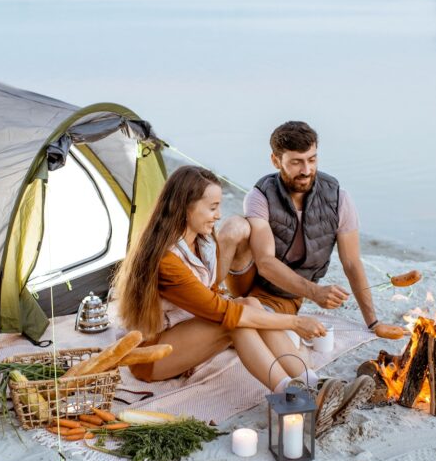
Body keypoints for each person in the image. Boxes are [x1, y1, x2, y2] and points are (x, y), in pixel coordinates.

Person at [113, 165, 348, 435]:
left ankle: (313, 383)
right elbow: (220, 311)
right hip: (151, 358)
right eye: (212, 207)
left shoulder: (200, 242)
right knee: (234, 318)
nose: (219, 215)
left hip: (180, 338)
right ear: (186, 207)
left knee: (250, 304)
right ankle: (291, 397)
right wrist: (294, 322)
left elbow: (211, 294)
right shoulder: (167, 259)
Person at [216, 121, 400, 419]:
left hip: (284, 295)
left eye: (312, 160)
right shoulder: (259, 196)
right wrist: (315, 292)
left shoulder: (338, 197)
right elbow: (264, 261)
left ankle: (314, 385)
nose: (306, 170)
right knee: (234, 227)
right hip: (248, 278)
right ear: (276, 161)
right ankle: (214, 293)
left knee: (250, 313)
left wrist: (373, 321)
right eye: (296, 162)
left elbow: (352, 262)